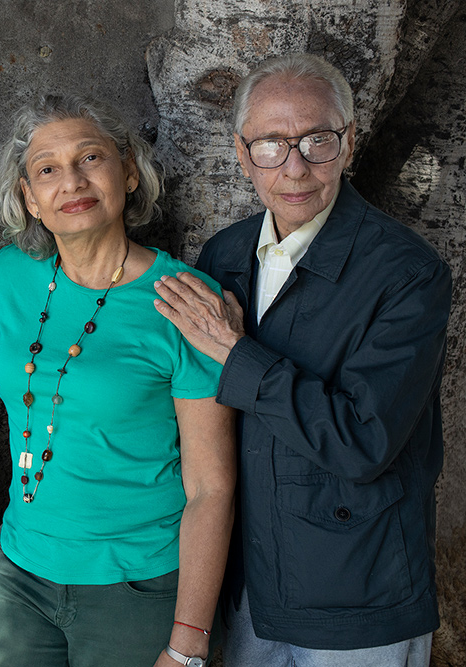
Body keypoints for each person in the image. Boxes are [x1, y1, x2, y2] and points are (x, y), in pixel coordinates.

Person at [154, 53, 450, 666]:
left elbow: (362, 443)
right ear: (241, 153)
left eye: (318, 140)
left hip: (361, 597)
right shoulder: (225, 255)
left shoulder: (408, 274)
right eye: (271, 144)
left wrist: (238, 355)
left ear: (348, 141)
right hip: (246, 592)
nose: (295, 167)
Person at [0, 94, 236, 667]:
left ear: (129, 173)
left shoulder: (184, 299)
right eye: (47, 169)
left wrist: (188, 642)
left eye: (91, 157)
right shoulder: (9, 275)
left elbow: (211, 487)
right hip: (18, 573)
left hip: (137, 587)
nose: (72, 180)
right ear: (29, 200)